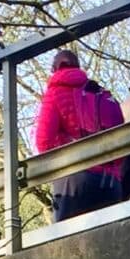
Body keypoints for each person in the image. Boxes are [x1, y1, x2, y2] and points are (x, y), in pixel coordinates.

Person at [34, 50, 124, 223]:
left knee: (67, 239)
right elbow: (122, 140)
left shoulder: (55, 93)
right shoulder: (99, 92)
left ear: (55, 68)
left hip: (73, 180)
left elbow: (43, 143)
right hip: (109, 181)